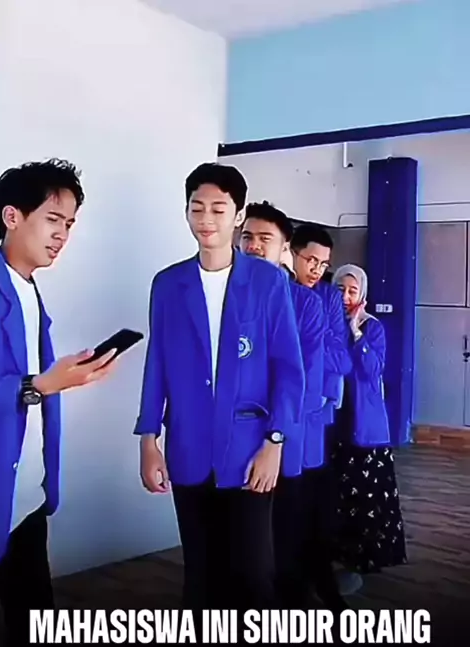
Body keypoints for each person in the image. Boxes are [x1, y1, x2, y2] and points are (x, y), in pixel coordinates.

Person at [135, 166, 305, 611]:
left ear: (238, 215)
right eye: (197, 208)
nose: (206, 219)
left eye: (218, 209)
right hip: (188, 447)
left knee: (253, 576)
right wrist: (149, 438)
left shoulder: (268, 282)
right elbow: (158, 363)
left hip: (250, 451)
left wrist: (275, 442)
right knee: (200, 575)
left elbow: (288, 369)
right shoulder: (168, 284)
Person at [0, 159, 116, 647]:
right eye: (53, 219)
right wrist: (40, 384)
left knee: (34, 626)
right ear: (12, 216)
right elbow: (29, 386)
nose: (62, 234)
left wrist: (61, 378)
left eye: (69, 224)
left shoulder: (29, 290)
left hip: (26, 493)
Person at [240, 201, 346, 611]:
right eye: (247, 237)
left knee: (292, 518)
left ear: (283, 247)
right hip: (245, 426)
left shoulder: (312, 302)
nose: (253, 246)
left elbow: (314, 369)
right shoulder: (234, 292)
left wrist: (281, 427)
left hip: (295, 423)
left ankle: (297, 597)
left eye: (265, 239)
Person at [290, 223, 362, 595]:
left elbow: (342, 359)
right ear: (292, 253)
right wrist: (316, 346)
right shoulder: (280, 291)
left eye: (323, 263)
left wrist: (309, 344)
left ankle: (315, 579)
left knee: (314, 501)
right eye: (311, 260)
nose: (317, 270)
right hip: (282, 411)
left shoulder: (327, 297)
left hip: (316, 415)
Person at [331, 264, 408, 573]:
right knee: (338, 493)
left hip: (365, 423)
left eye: (353, 291)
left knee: (367, 495)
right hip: (335, 420)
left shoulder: (372, 327)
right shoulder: (326, 323)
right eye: (340, 289)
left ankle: (367, 558)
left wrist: (356, 331)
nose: (346, 297)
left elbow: (372, 369)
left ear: (362, 294)